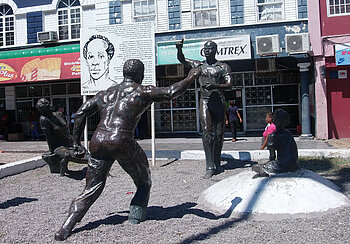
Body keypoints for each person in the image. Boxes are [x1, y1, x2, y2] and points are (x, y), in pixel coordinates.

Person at [54, 59, 201, 241]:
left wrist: (75, 142)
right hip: (121, 139)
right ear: (141, 74)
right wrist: (191, 77)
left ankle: (66, 227)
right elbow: (171, 92)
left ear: (124, 74)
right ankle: (135, 217)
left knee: (91, 189)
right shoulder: (142, 91)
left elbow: (81, 112)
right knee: (144, 181)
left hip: (98, 140)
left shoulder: (106, 93)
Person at [176, 39, 233, 179]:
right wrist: (179, 48)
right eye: (205, 48)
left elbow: (230, 84)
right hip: (205, 100)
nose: (207, 50)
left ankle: (217, 161)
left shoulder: (223, 67)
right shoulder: (198, 65)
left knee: (219, 134)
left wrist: (216, 86)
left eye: (210, 48)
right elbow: (182, 60)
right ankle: (210, 166)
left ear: (215, 50)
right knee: (207, 131)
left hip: (218, 100)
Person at [37, 99, 87, 176]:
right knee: (66, 155)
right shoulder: (44, 119)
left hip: (69, 141)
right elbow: (48, 136)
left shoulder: (58, 114)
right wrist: (51, 150)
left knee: (84, 152)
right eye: (47, 106)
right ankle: (62, 172)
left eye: (49, 104)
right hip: (58, 145)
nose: (50, 106)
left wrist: (75, 143)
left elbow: (66, 131)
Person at [252, 109, 299, 178]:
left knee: (255, 167)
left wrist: (270, 165)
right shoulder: (289, 134)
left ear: (274, 120)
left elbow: (272, 156)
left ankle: (264, 174)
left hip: (281, 166)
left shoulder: (273, 136)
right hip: (294, 165)